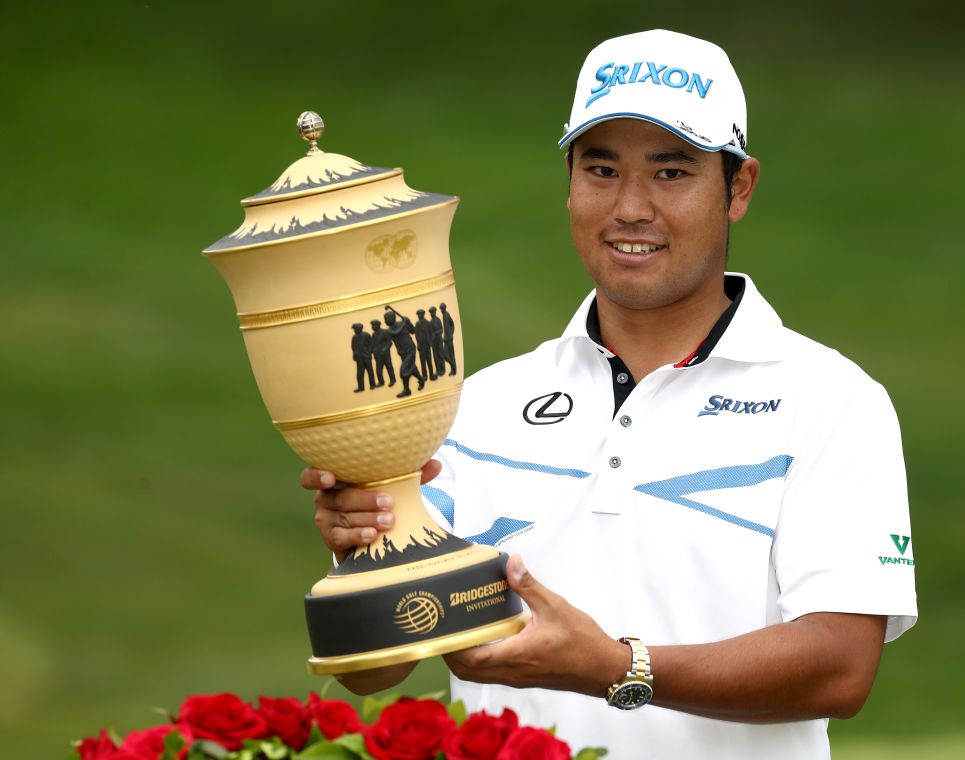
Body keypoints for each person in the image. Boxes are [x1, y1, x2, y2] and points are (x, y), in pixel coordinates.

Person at [303, 29, 916, 759]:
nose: (629, 207)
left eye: (671, 172)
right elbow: (378, 668)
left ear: (739, 188)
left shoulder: (833, 402)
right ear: (569, 184)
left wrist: (617, 668)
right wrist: (364, 550)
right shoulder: (476, 403)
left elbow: (840, 668)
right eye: (601, 169)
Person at [349, 323, 375, 393]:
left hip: (366, 356)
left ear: (360, 328)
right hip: (359, 358)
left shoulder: (366, 335)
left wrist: (369, 353)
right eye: (354, 329)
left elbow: (371, 344)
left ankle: (372, 385)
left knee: (370, 371)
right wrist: (355, 354)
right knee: (359, 374)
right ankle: (361, 387)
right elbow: (353, 347)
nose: (354, 330)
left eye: (355, 328)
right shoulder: (354, 337)